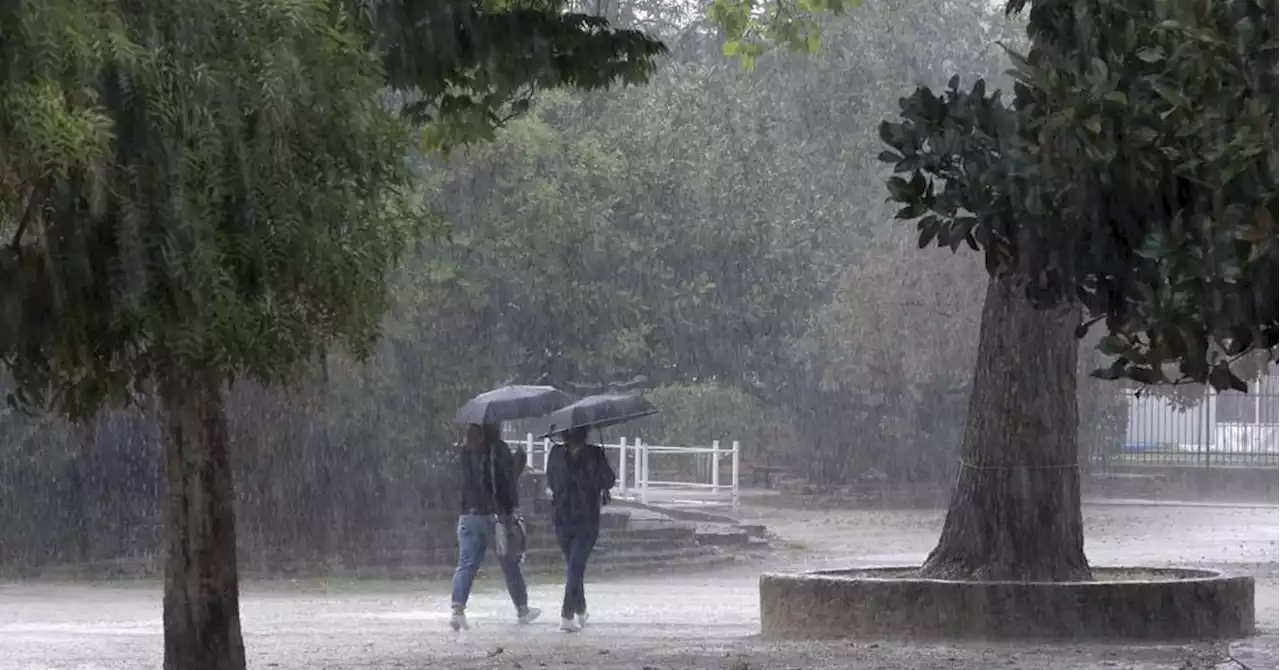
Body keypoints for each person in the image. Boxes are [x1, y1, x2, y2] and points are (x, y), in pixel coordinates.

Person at [449, 423, 541, 631]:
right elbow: (505, 483)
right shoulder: (497, 449)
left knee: (466, 564)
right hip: (494, 517)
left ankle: (457, 610)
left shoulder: (464, 453)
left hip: (468, 515)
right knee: (509, 562)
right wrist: (518, 461)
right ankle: (522, 608)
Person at [545, 425, 617, 632]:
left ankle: (581, 609)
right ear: (585, 433)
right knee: (575, 565)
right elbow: (609, 481)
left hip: (561, 516)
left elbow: (550, 482)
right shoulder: (594, 454)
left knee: (574, 565)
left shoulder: (556, 454)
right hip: (586, 517)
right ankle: (567, 614)